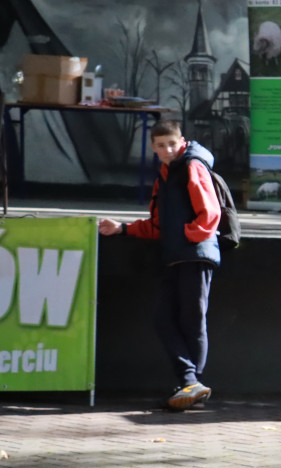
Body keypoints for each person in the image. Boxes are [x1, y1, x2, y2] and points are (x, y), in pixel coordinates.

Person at [98, 119, 221, 411]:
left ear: (182, 141)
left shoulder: (192, 166)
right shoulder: (164, 176)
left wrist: (188, 236)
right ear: (153, 148)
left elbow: (211, 212)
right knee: (164, 318)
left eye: (172, 144)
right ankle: (192, 384)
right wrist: (122, 228)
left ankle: (191, 382)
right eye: (161, 145)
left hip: (194, 255)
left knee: (192, 320)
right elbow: (157, 225)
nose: (167, 149)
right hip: (174, 255)